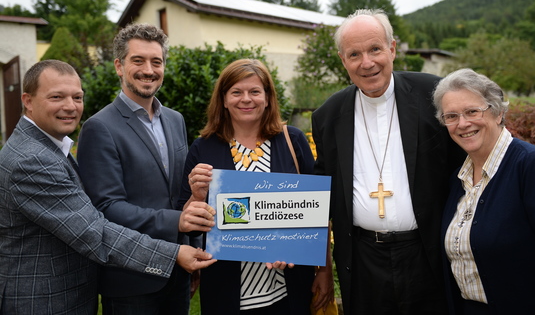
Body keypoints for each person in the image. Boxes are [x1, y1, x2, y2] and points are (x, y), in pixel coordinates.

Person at [0, 60, 216, 315]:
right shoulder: (33, 160)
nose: (70, 106)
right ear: (27, 100)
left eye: (77, 97)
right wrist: (173, 254)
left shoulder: (48, 147)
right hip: (45, 301)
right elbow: (94, 233)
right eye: (56, 97)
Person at [311, 9, 465, 315]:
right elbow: (321, 194)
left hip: (429, 253)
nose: (366, 63)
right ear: (343, 60)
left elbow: (465, 165)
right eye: (354, 54)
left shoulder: (434, 94)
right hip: (362, 260)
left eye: (375, 49)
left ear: (392, 49)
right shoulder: (328, 115)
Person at [432, 68, 535, 315]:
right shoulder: (458, 179)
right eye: (451, 116)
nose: (462, 123)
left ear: (497, 112)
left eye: (472, 111)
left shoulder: (532, 165)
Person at [77, 23, 214, 314]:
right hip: (131, 279)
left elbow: (182, 196)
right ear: (119, 66)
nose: (148, 70)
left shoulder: (175, 120)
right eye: (138, 60)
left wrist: (193, 247)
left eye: (156, 61)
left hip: (179, 271)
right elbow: (106, 208)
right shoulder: (99, 127)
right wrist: (177, 222)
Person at [178, 58, 333, 314]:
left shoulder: (292, 140)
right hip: (226, 289)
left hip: (289, 288)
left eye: (254, 92)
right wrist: (197, 196)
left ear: (268, 98)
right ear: (224, 99)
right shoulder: (203, 148)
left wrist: (325, 270)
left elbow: (317, 213)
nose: (246, 99)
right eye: (236, 92)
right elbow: (185, 220)